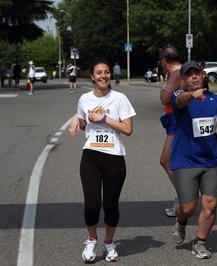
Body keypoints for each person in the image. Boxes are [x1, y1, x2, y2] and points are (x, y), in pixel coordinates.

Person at [68, 58, 136, 263]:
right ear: (92, 76)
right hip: (91, 156)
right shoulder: (84, 99)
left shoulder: (120, 98)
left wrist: (105, 118)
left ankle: (109, 243)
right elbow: (82, 121)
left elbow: (128, 129)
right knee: (91, 205)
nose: (103, 76)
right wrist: (75, 119)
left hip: (114, 157)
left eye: (106, 72)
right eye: (99, 72)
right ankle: (91, 239)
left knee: (111, 205)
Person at [170, 61, 217, 259]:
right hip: (185, 161)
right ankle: (180, 221)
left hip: (212, 162)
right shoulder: (179, 97)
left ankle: (199, 242)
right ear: (183, 79)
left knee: (211, 204)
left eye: (196, 73)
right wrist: (191, 95)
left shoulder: (215, 100)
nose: (194, 77)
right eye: (189, 75)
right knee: (188, 208)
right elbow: (180, 101)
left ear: (203, 75)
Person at [159, 44, 186, 217]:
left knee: (165, 160)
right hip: (180, 120)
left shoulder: (176, 74)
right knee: (177, 161)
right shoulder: (185, 70)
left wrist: (163, 91)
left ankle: (184, 197)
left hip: (176, 121)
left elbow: (164, 98)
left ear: (164, 61)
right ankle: (184, 196)